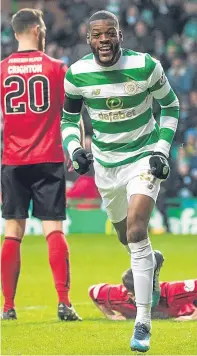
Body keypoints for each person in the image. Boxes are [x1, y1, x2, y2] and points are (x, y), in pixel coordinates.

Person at [61, 10, 179, 351]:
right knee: (122, 233)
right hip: (106, 166)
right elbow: (69, 119)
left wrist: (161, 150)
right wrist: (74, 148)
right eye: (97, 35)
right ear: (89, 40)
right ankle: (151, 262)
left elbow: (170, 107)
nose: (104, 40)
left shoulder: (146, 66)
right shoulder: (77, 74)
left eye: (109, 33)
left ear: (119, 36)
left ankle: (143, 320)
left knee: (137, 230)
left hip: (142, 156)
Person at [0, 8, 81, 322]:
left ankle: (8, 307)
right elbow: (70, 114)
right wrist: (74, 149)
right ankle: (63, 303)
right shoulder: (57, 67)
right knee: (53, 231)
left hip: (13, 160)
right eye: (43, 26)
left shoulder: (3, 69)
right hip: (48, 158)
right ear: (35, 29)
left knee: (12, 232)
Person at [89, 269, 197, 321]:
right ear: (131, 295)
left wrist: (192, 317)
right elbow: (93, 291)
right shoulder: (116, 296)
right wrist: (111, 316)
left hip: (189, 308)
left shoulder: (170, 291)